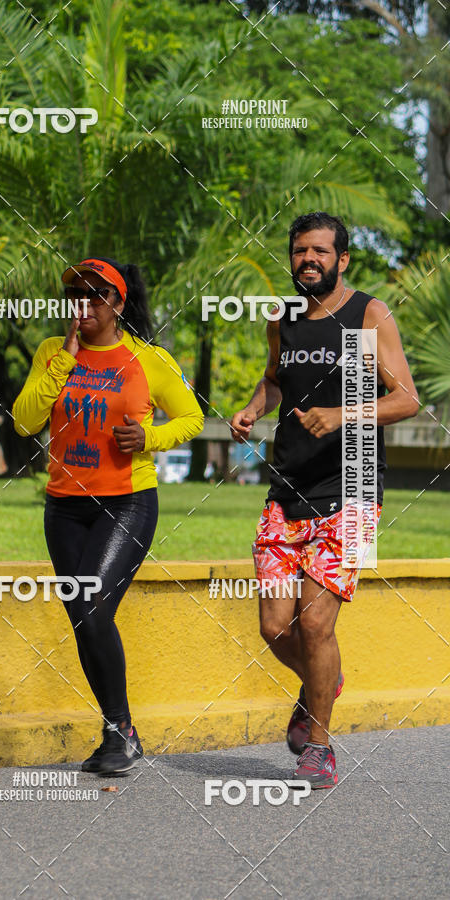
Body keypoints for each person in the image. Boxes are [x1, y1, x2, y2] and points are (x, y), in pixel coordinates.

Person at [231, 212, 419, 788]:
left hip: (354, 487)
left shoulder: (368, 314)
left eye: (319, 251)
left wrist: (342, 414)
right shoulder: (282, 318)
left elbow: (406, 398)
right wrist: (252, 409)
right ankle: (323, 681)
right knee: (273, 626)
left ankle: (319, 745)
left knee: (315, 629)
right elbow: (275, 378)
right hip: (287, 487)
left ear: (342, 260)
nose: (307, 260)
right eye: (298, 251)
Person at [13, 257, 203, 776]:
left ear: (118, 304)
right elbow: (25, 420)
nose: (85, 304)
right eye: (76, 294)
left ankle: (119, 733)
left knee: (93, 605)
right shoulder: (54, 353)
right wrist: (65, 362)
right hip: (64, 509)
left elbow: (192, 416)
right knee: (84, 619)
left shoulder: (148, 359)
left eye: (97, 295)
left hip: (127, 503)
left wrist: (151, 437)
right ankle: (119, 734)